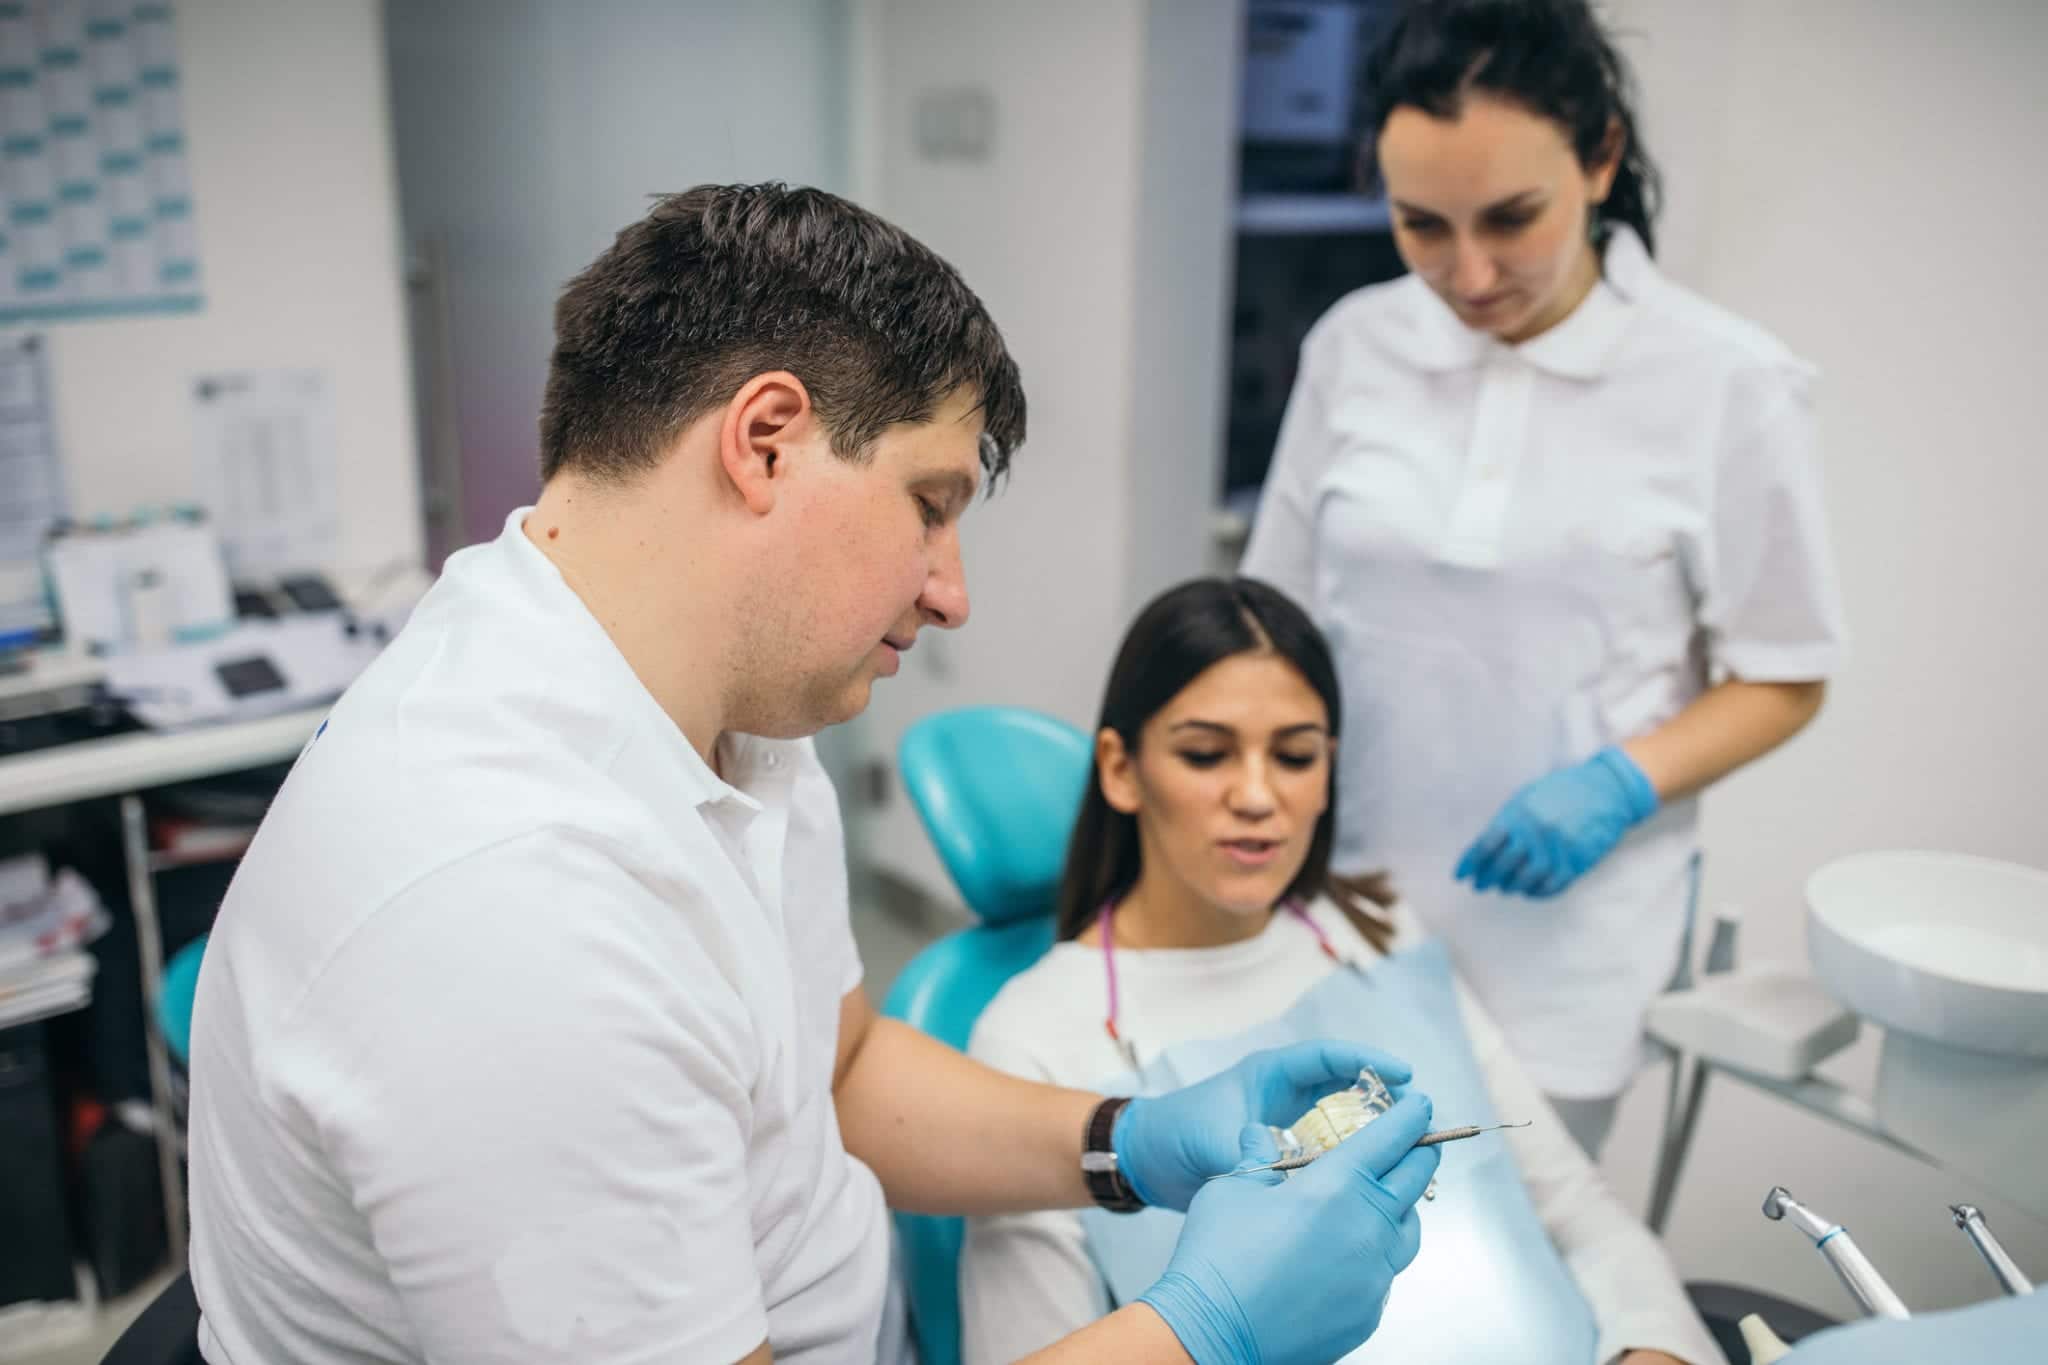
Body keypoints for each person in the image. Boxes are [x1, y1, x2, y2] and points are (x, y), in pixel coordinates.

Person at [183, 185, 1440, 1365]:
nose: (951, 593)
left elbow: (829, 1077)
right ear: (767, 441)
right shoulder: (513, 916)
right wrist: (1201, 1332)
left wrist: (1127, 1142)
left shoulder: (724, 713)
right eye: (928, 504)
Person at [1240, 0, 1847, 1156]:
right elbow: (1275, 624)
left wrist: (1618, 781)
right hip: (1347, 897)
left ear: (1600, 157)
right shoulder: (1352, 345)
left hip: (1570, 942)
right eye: (1419, 223)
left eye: (1510, 218)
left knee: (1508, 1256)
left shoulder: (1725, 381)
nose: (1465, 272)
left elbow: (1785, 672)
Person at [960, 577, 1726, 1365]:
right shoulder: (1034, 1037)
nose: (1258, 795)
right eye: (1205, 753)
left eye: (1294, 756)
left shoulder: (1377, 929)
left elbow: (1578, 1214)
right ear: (1122, 769)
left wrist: (1652, 1348)